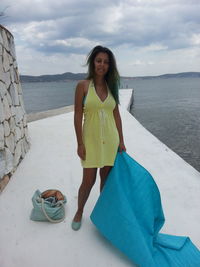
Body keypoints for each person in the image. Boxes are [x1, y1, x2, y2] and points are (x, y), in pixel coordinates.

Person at [72, 45, 126, 230]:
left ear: (109, 66)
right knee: (88, 181)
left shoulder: (112, 87)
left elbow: (116, 114)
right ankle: (79, 211)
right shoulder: (83, 86)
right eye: (99, 61)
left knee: (106, 179)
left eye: (106, 62)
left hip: (110, 140)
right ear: (92, 62)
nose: (102, 65)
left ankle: (104, 213)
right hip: (91, 141)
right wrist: (80, 143)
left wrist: (121, 140)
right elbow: (78, 115)